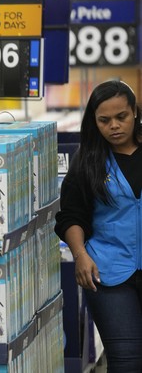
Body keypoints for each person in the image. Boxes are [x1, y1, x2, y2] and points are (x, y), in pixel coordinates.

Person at [55, 80, 142, 372]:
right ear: (94, 121)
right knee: (127, 360)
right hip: (107, 269)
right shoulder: (87, 161)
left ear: (135, 113)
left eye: (122, 117)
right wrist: (80, 254)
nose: (114, 126)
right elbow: (71, 215)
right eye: (104, 120)